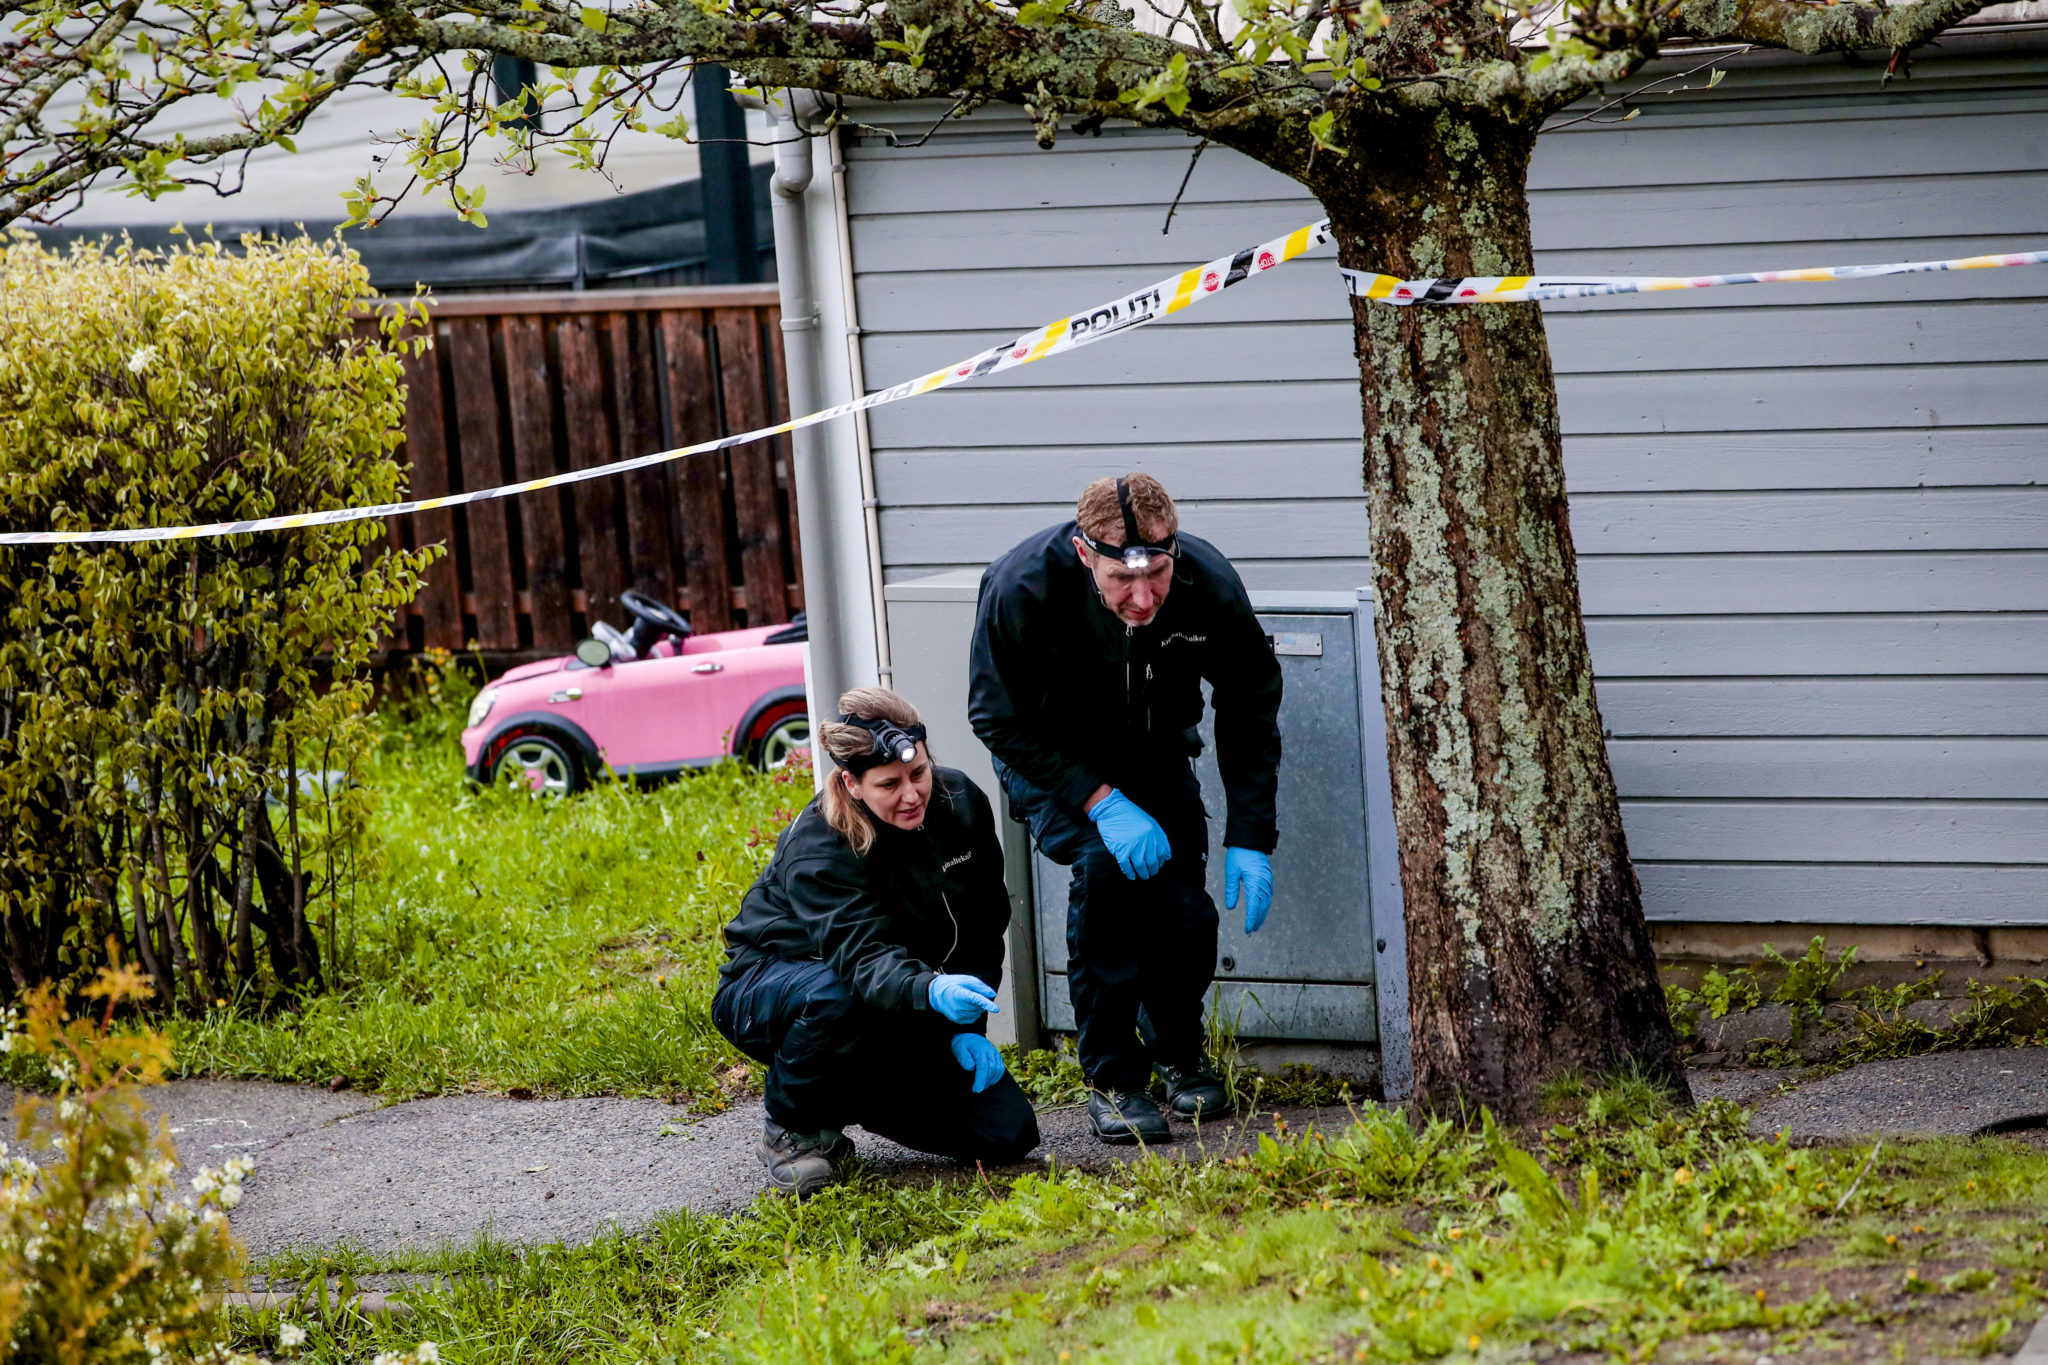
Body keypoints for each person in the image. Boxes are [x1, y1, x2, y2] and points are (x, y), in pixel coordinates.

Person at [970, 473, 1282, 1145]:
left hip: (1155, 752)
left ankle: (1177, 1049)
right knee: (1108, 877)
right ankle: (1114, 1077)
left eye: (1158, 576)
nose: (1143, 598)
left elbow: (1252, 701)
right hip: (1050, 759)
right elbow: (994, 716)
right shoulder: (1023, 587)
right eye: (1121, 581)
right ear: (1087, 555)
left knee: (1185, 911)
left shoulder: (1207, 583)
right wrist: (1099, 800)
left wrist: (1252, 833)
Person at [713, 686, 1040, 1197]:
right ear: (852, 783)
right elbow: (860, 957)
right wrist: (930, 992)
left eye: (919, 773)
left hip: (892, 993)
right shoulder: (818, 845)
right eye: (889, 783)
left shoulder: (961, 804)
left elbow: (983, 921)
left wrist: (967, 1026)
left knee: (1008, 1132)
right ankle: (791, 1125)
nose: (912, 795)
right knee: (833, 997)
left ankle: (848, 1093)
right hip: (778, 986)